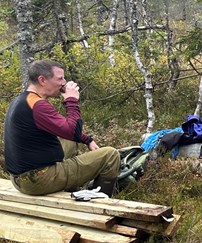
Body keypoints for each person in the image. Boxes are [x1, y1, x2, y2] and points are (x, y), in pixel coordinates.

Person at [4, 60, 120, 196]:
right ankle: (100, 200)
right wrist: (71, 100)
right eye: (60, 78)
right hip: (37, 180)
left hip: (21, 179)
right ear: (42, 80)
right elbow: (73, 130)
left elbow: (67, 131)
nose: (63, 82)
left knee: (69, 139)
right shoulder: (38, 105)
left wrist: (87, 140)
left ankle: (72, 188)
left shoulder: (25, 100)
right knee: (110, 155)